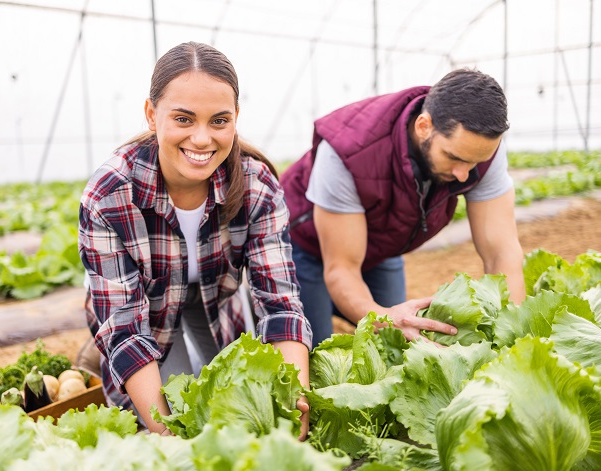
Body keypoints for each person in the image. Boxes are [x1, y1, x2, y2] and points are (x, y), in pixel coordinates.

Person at [78, 41, 312, 439]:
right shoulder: (110, 194)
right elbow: (125, 328)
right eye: (184, 119)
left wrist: (297, 403)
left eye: (219, 121)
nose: (202, 139)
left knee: (226, 400)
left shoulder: (256, 184)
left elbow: (280, 302)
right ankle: (89, 353)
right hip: (143, 311)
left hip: (214, 300)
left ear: (236, 117)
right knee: (171, 415)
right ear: (152, 115)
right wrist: (169, 436)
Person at [280, 68, 526, 346]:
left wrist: (510, 337)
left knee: (398, 341)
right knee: (314, 347)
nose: (464, 174)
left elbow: (502, 254)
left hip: (380, 243)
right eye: (453, 158)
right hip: (304, 247)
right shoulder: (349, 150)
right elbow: (342, 269)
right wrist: (381, 318)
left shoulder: (478, 150)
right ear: (424, 126)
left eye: (475, 162)